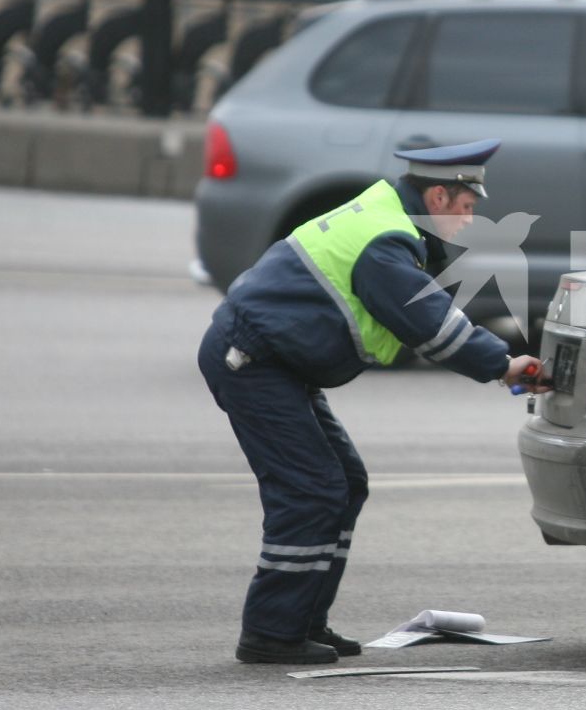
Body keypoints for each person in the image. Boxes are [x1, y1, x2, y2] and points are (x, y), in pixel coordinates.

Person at [197, 141, 548, 665]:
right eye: (468, 208)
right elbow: (429, 323)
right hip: (254, 362)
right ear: (437, 195)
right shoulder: (385, 241)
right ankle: (272, 632)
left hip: (273, 361)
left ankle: (302, 620)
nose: (470, 221)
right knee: (312, 491)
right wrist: (503, 365)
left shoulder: (387, 218)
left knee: (344, 482)